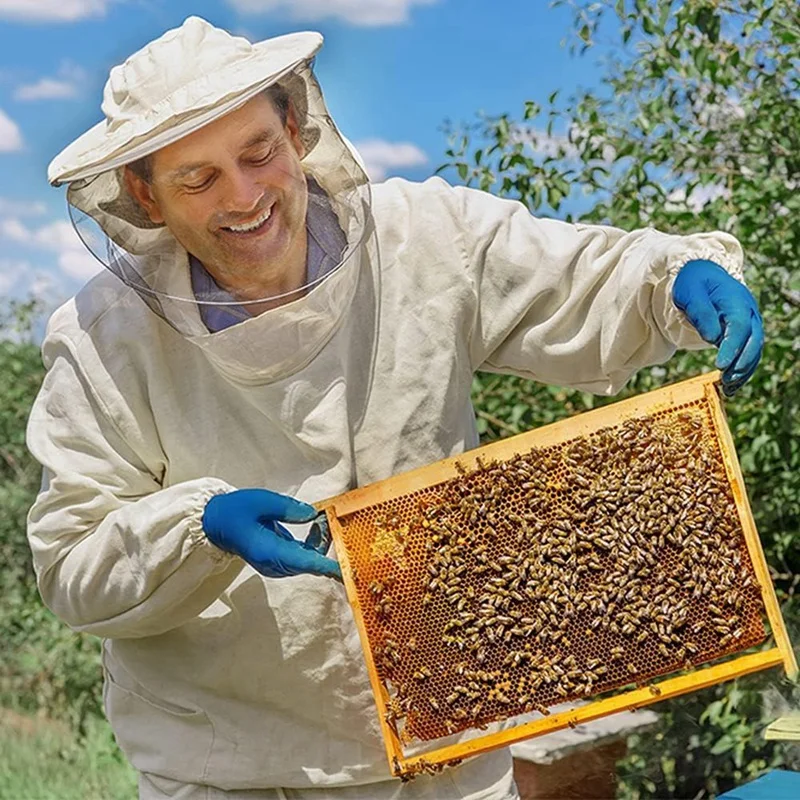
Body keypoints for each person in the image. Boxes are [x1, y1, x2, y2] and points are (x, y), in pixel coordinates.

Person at [26, 16, 763, 800]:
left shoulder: (422, 237)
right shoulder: (105, 341)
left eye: (258, 152)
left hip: (454, 736)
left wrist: (670, 279)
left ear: (297, 128)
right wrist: (196, 530)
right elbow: (72, 565)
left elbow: (580, 279)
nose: (243, 197)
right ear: (144, 194)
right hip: (231, 770)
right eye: (198, 179)